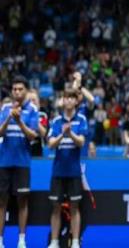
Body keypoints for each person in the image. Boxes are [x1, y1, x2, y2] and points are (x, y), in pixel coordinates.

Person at [0, 75, 39, 248]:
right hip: (4, 162)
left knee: (22, 202)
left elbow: (32, 136)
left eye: (20, 89)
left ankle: (21, 240)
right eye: (14, 89)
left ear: (26, 91)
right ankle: (0, 240)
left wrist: (19, 121)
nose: (17, 92)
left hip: (23, 162)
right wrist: (9, 118)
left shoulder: (32, 109)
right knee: (2, 202)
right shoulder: (5, 108)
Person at [47, 89, 88, 248]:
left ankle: (76, 242)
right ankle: (54, 242)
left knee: (74, 208)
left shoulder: (81, 119)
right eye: (66, 98)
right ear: (63, 100)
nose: (69, 100)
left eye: (72, 98)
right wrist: (62, 135)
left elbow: (81, 142)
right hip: (58, 171)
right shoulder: (56, 121)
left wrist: (70, 134)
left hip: (74, 171)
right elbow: (50, 144)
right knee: (55, 208)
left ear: (76, 101)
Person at [27, 89, 48, 157]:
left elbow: (43, 133)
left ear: (38, 101)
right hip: (24, 148)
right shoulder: (21, 113)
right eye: (29, 100)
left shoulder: (43, 115)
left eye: (34, 100)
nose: (32, 102)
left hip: (38, 149)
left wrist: (34, 117)